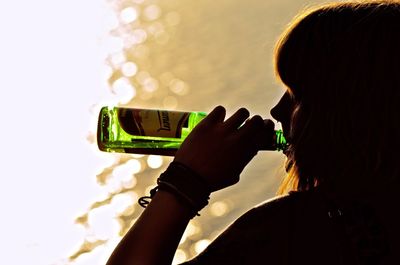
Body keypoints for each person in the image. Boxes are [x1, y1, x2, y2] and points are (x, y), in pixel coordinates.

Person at [105, 1, 400, 264]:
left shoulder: (289, 232)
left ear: (345, 112)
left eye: (297, 96)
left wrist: (185, 183)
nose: (277, 111)